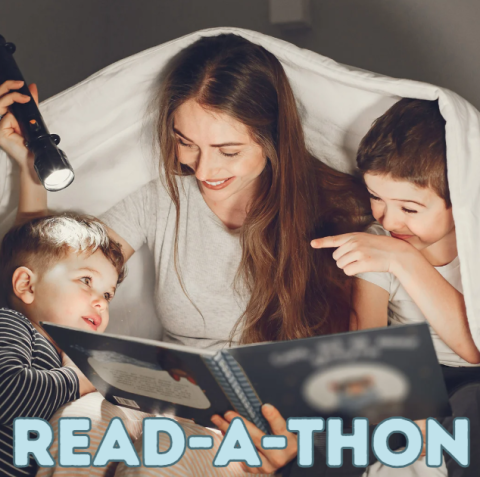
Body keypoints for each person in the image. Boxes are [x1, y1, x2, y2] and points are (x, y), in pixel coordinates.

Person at [0, 33, 371, 476]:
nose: (204, 169)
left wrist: (304, 439)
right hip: (160, 397)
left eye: (228, 151)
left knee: (165, 462)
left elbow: (363, 373)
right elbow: (50, 268)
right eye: (185, 141)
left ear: (273, 139)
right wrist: (28, 170)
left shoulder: (339, 212)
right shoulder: (165, 199)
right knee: (75, 428)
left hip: (252, 424)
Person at [313, 98, 480, 476]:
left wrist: (403, 261)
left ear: (462, 201)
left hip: (471, 378)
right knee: (333, 433)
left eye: (410, 208)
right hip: (407, 370)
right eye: (376, 198)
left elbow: (474, 349)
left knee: (472, 410)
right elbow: (366, 341)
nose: (389, 220)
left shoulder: (465, 245)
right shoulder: (380, 240)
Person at [0, 213, 126, 477]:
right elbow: (6, 392)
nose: (101, 302)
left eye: (107, 295)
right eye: (86, 280)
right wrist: (77, 380)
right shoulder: (11, 323)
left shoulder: (67, 357)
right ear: (27, 285)